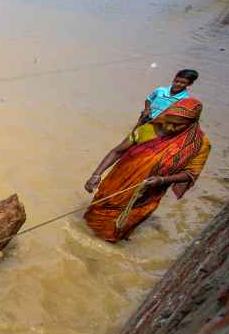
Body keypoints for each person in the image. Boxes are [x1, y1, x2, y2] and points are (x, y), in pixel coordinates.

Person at [84, 98, 211, 242]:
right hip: (115, 185)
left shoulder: (199, 145)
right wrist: (96, 175)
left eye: (177, 125)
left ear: (192, 123)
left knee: (118, 229)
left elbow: (190, 173)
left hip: (146, 195)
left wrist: (162, 180)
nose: (169, 127)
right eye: (168, 121)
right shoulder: (148, 129)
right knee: (93, 219)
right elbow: (117, 151)